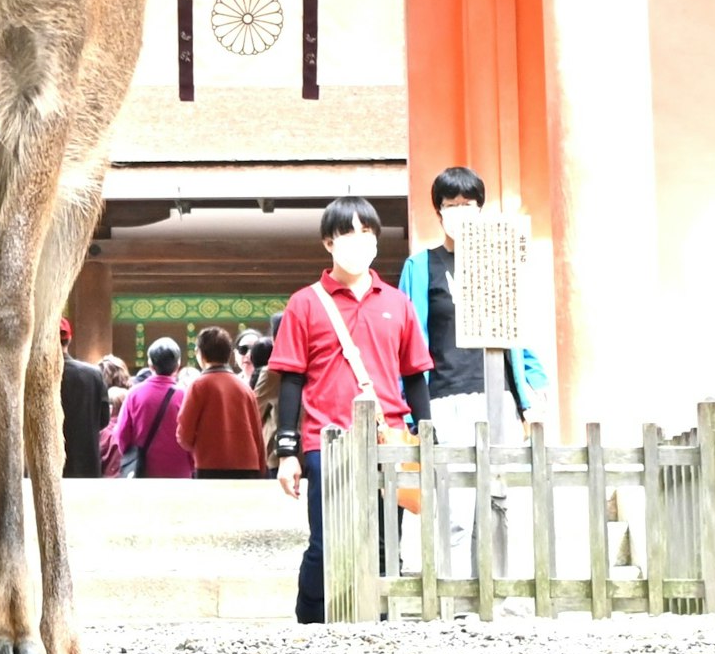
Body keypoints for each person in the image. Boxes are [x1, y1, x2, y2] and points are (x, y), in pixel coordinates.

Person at [268, 195, 428, 623]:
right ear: (328, 243)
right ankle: (311, 623)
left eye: (367, 233)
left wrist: (425, 439)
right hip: (325, 440)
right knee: (326, 542)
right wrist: (287, 452)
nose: (359, 242)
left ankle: (377, 624)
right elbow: (291, 378)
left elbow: (415, 376)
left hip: (387, 438)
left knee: (384, 541)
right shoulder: (305, 303)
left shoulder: (397, 303)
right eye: (348, 234)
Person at [394, 165, 543, 417]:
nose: (459, 211)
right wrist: (408, 407)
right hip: (442, 399)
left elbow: (517, 332)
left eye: (467, 204)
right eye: (451, 205)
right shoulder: (419, 267)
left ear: (479, 208)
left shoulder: (499, 262)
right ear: (439, 211)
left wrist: (536, 381)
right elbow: (405, 340)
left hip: (500, 396)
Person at [103, 337, 196, 479]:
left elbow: (122, 435)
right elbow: (193, 437)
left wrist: (131, 456)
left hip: (144, 471)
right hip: (180, 473)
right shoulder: (185, 396)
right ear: (177, 366)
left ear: (150, 364)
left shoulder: (134, 394)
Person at [180, 326, 265, 478]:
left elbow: (185, 434)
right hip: (248, 466)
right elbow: (258, 434)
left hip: (210, 465)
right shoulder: (244, 388)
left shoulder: (199, 385)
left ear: (200, 354)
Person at [57, 318, 109, 479]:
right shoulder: (93, 374)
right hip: (87, 462)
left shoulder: (34, 376)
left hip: (50, 465)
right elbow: (104, 420)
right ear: (70, 339)